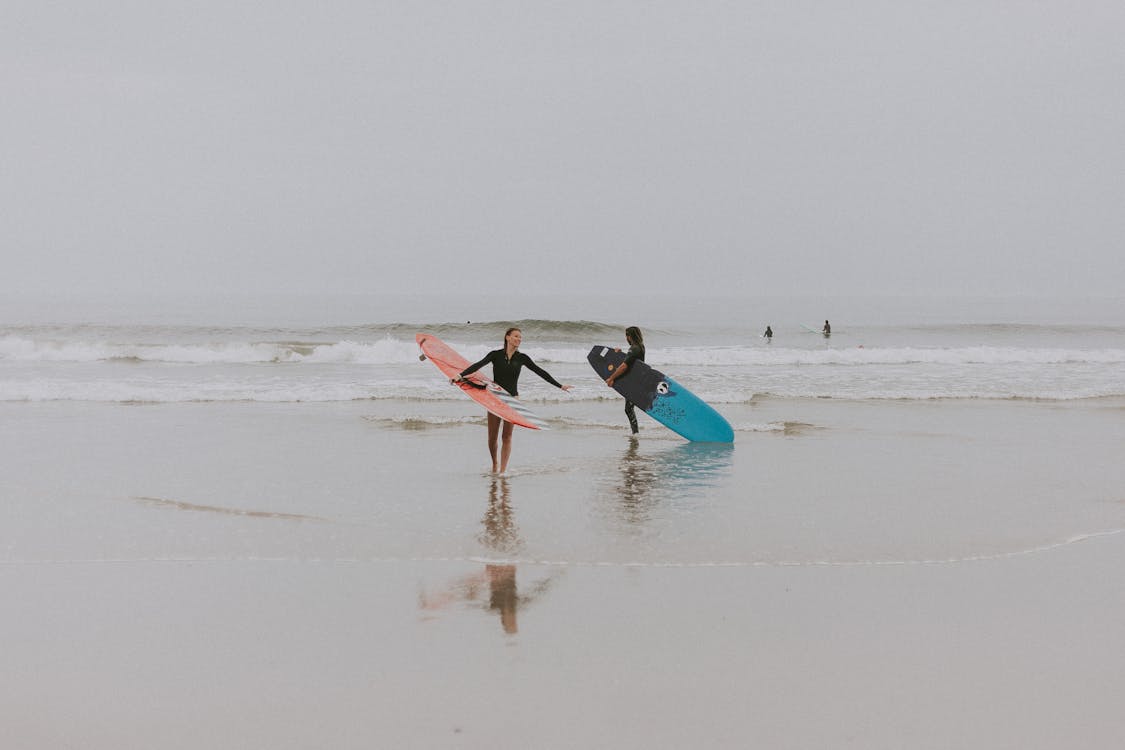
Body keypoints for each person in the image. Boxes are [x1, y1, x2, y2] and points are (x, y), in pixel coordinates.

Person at [454, 327, 572, 473]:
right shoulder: (495, 355)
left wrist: (560, 386)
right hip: (495, 399)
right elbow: (478, 365)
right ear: (507, 337)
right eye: (516, 336)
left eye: (520, 338)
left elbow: (540, 372)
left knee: (507, 436)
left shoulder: (522, 358)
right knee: (492, 438)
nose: (519, 339)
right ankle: (494, 463)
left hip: (512, 400)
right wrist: (460, 376)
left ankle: (502, 471)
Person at [604, 326, 645, 435]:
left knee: (628, 409)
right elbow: (631, 360)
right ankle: (635, 432)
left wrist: (611, 378)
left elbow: (624, 366)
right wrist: (619, 354)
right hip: (637, 381)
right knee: (629, 408)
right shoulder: (640, 347)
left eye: (626, 336)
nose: (626, 338)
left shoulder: (634, 348)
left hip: (633, 383)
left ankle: (635, 434)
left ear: (630, 336)